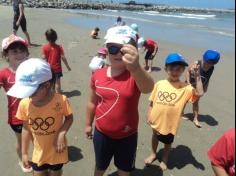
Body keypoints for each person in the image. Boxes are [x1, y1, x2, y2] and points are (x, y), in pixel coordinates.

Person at [85, 26, 154, 176]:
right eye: (112, 48)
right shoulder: (98, 74)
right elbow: (92, 102)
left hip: (127, 136)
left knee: (124, 170)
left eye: (123, 49)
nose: (117, 53)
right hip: (102, 133)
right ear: (106, 50)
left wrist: (135, 67)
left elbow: (148, 88)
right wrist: (88, 124)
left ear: (134, 50)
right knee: (100, 166)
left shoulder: (135, 74)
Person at [7, 58, 74, 176]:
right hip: (38, 151)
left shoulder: (61, 100)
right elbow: (26, 128)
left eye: (31, 92)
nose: (28, 96)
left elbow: (69, 118)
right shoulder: (24, 104)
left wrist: (61, 133)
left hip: (57, 150)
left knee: (56, 173)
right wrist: (24, 153)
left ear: (46, 85)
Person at [145, 53, 204, 171]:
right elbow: (152, 102)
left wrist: (197, 77)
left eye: (179, 69)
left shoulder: (185, 88)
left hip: (171, 123)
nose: (175, 71)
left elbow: (200, 93)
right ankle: (153, 153)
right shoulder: (159, 84)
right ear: (166, 68)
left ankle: (165, 159)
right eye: (172, 68)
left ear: (183, 70)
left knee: (167, 143)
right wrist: (149, 115)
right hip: (155, 119)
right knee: (154, 137)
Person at [0, 34, 32, 172]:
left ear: (27, 53)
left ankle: (37, 157)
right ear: (6, 54)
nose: (19, 54)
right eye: (14, 51)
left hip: (35, 114)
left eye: (21, 50)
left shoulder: (32, 70)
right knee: (21, 140)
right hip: (16, 117)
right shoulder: (3, 74)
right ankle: (21, 160)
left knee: (36, 138)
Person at [184, 49, 220, 128]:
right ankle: (181, 113)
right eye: (206, 62)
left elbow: (208, 77)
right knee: (184, 101)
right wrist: (188, 82)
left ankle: (195, 118)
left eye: (211, 64)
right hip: (189, 85)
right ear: (203, 58)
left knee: (196, 102)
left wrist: (206, 86)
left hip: (200, 87)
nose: (208, 65)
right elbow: (187, 72)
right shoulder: (196, 64)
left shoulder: (212, 68)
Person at [41, 28, 71, 93]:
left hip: (49, 68)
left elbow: (43, 57)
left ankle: (52, 95)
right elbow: (63, 57)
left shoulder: (44, 47)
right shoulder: (59, 47)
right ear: (56, 37)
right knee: (57, 82)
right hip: (57, 68)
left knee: (51, 82)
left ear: (47, 38)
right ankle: (58, 95)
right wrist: (67, 66)